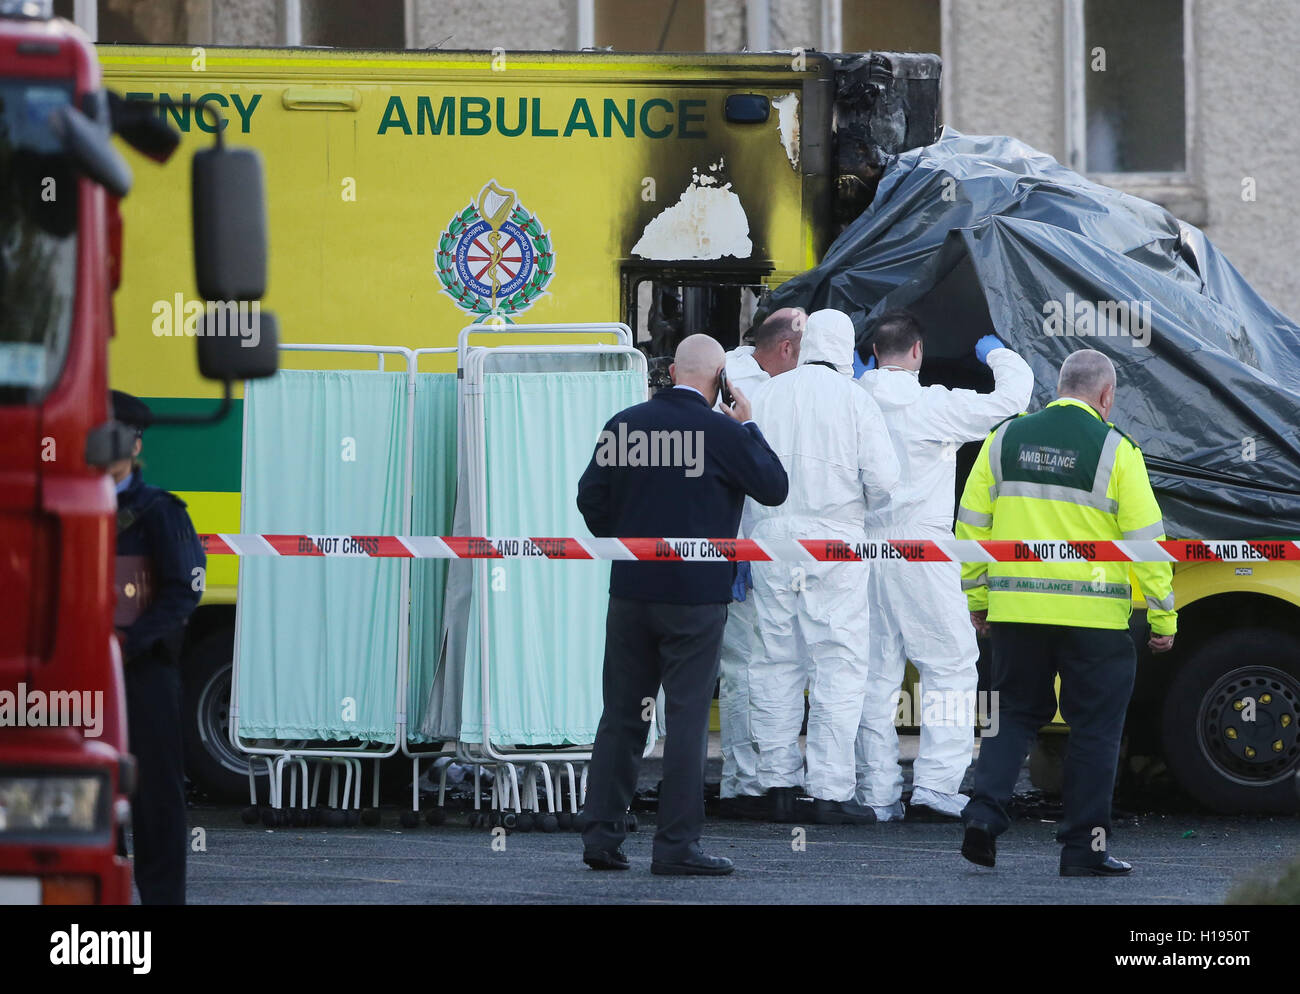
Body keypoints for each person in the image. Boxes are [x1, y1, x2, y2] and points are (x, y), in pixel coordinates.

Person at [955, 349, 1176, 876]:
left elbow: (971, 527)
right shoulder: (1117, 450)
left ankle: (983, 817)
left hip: (1018, 611)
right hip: (1094, 622)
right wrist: (1164, 619)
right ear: (1106, 396)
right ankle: (1083, 850)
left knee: (1012, 717)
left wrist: (979, 599)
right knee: (1096, 731)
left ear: (1058, 387)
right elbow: (1147, 542)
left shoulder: (1004, 439)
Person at [576, 334, 788, 875]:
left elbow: (590, 497)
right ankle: (675, 847)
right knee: (689, 720)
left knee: (623, 716)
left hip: (630, 593)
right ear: (720, 380)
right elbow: (774, 487)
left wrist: (626, 543)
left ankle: (602, 837)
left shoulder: (623, 425)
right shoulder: (722, 432)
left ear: (671, 370)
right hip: (695, 600)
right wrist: (746, 423)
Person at [853, 313, 1034, 822]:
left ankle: (878, 793)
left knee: (873, 672)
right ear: (917, 353)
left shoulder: (854, 399)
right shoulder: (933, 405)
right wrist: (995, 352)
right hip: (921, 550)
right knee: (951, 665)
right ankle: (934, 785)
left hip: (860, 551)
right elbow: (1013, 398)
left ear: (872, 353)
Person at [746, 308, 901, 824]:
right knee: (839, 663)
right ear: (844, 349)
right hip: (835, 547)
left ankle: (777, 785)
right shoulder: (856, 400)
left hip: (770, 545)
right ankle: (831, 790)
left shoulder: (765, 395)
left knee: (774, 662)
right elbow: (883, 481)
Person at [109, 390, 206, 904]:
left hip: (141, 673)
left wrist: (128, 643)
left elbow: (183, 590)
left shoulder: (156, 512)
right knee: (87, 799)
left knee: (155, 803)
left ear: (135, 442)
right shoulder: (68, 502)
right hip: (79, 678)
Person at [716, 306, 806, 820]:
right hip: (742, 544)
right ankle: (744, 780)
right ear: (787, 347)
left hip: (773, 546)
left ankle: (760, 778)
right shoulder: (731, 379)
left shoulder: (756, 381)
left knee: (770, 665)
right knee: (746, 666)